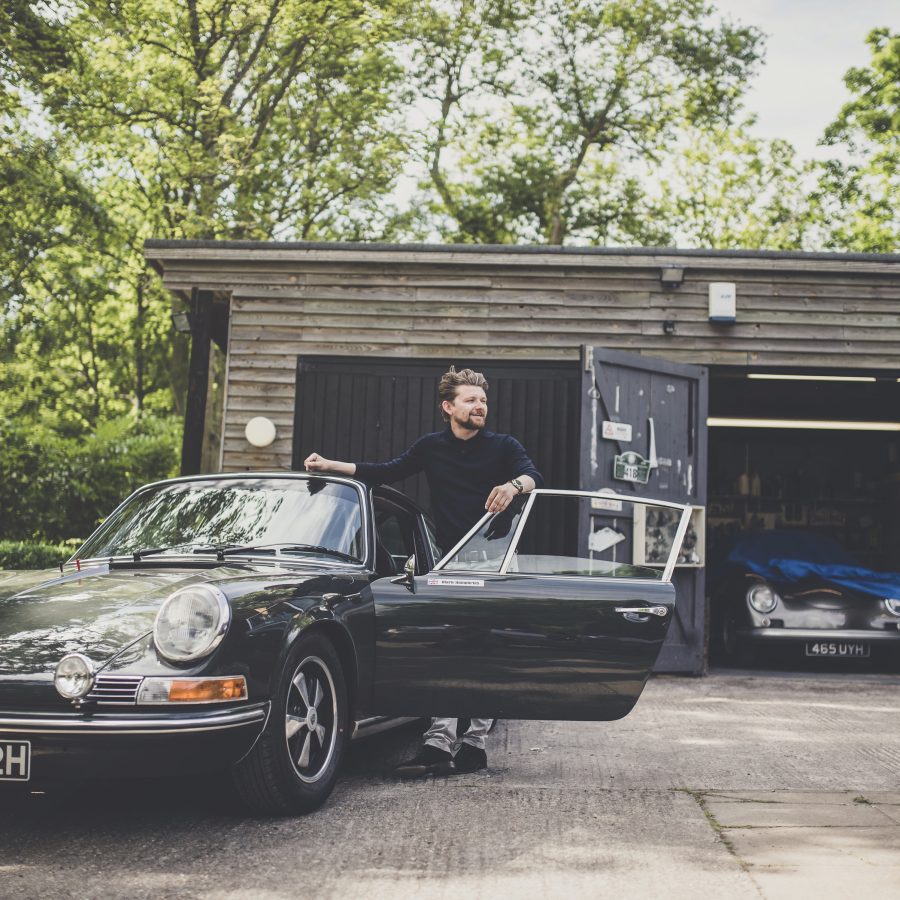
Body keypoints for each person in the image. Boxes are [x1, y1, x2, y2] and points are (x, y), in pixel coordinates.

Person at [303, 366, 543, 777]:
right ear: (449, 407)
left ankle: (474, 745)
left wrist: (514, 486)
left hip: (494, 560)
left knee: (484, 651)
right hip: (446, 561)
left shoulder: (503, 445)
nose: (479, 406)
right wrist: (329, 465)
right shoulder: (432, 447)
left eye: (482, 400)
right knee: (446, 647)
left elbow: (534, 475)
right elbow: (385, 470)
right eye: (470, 400)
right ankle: (438, 742)